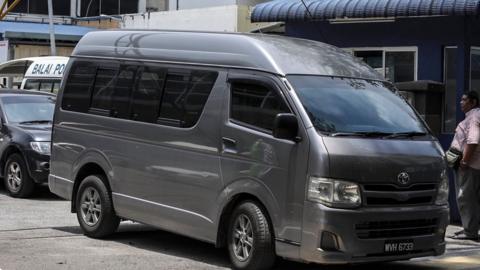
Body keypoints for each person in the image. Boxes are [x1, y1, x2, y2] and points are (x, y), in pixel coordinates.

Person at [449, 91, 480, 241]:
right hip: (475, 166)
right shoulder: (475, 116)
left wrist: (465, 161)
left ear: (473, 102)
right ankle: (470, 228)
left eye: (464, 100)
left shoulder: (474, 117)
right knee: (473, 199)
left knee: (465, 198)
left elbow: (473, 140)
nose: (461, 103)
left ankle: (470, 232)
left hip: (470, 166)